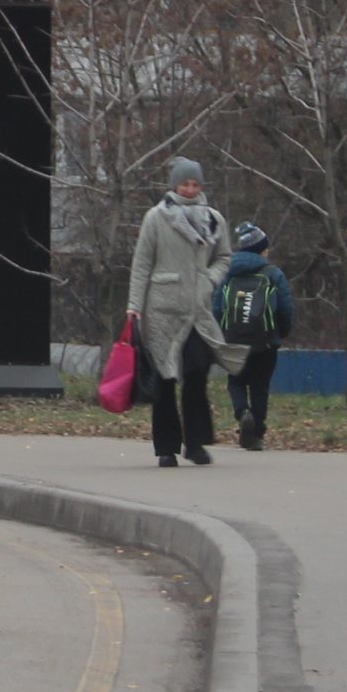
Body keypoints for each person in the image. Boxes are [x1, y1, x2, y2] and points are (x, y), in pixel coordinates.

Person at [128, 158, 230, 466]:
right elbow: (142, 264)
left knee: (197, 370)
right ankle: (166, 448)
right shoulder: (156, 217)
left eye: (195, 184)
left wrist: (209, 279)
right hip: (161, 309)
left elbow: (224, 257)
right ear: (174, 185)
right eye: (184, 184)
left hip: (197, 309)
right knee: (165, 378)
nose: (189, 189)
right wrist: (134, 307)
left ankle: (195, 443)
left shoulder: (213, 219)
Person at [216, 222, 296, 451]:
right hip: (266, 341)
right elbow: (286, 308)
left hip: (234, 339)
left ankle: (243, 412)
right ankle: (256, 434)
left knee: (236, 381)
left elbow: (217, 308)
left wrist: (222, 334)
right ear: (262, 249)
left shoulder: (228, 274)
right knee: (260, 386)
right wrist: (281, 333)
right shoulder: (273, 273)